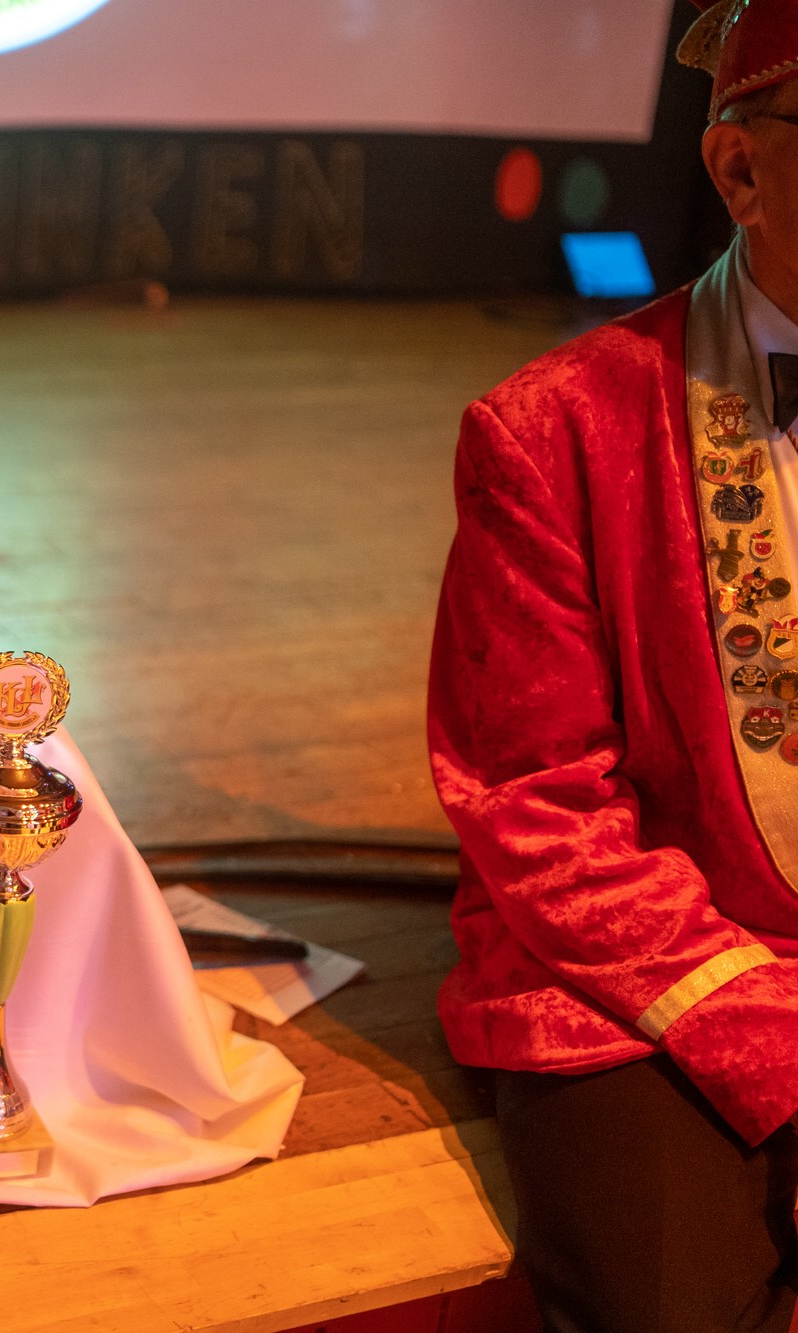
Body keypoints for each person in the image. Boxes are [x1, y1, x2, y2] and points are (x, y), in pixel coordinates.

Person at [430, 3, 798, 1328]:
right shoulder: (552, 431)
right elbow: (537, 801)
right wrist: (768, 1033)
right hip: (651, 962)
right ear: (740, 169)